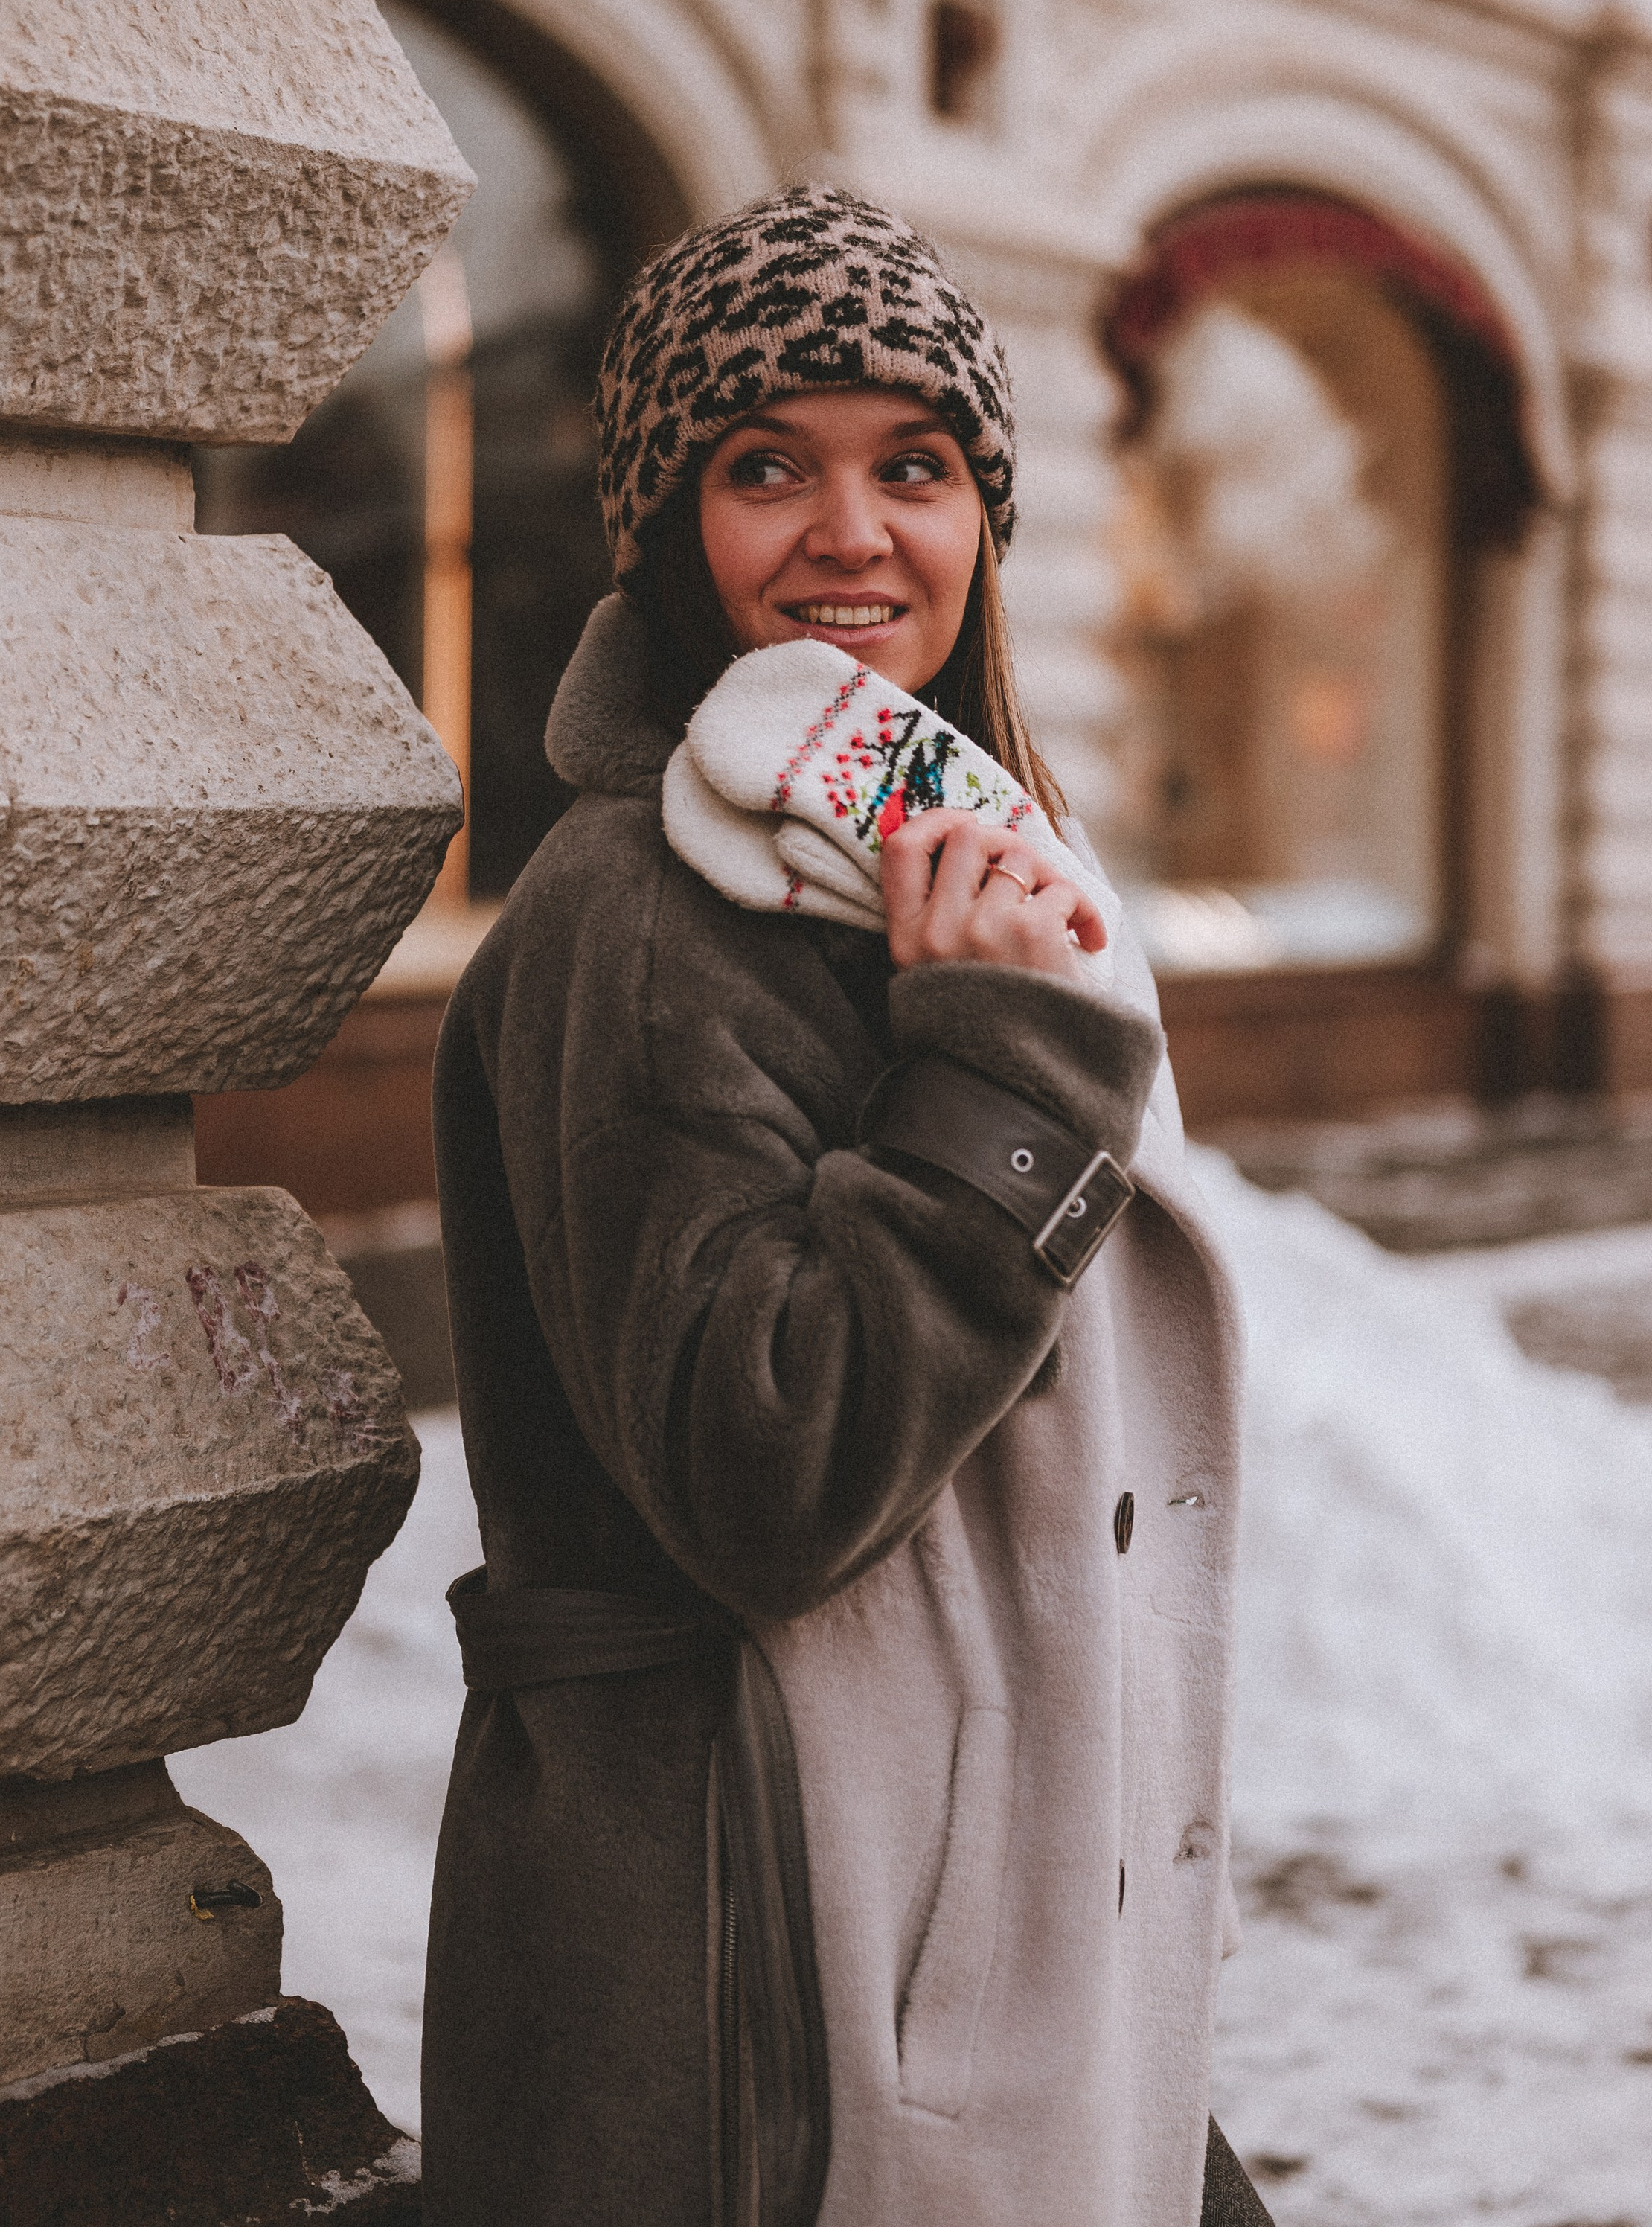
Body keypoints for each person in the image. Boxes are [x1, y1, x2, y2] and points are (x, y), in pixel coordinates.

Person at [422, 188, 1270, 2227]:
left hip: (949, 1903)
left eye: (914, 465)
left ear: (985, 516)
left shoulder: (923, 854)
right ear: (661, 523)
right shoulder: (640, 904)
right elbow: (764, 1456)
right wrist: (998, 1075)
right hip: (752, 1944)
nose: (850, 531)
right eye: (763, 466)